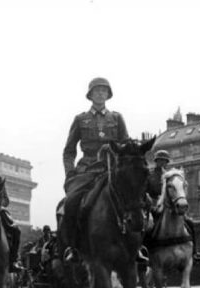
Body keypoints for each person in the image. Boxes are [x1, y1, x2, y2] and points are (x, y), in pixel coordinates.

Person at [60, 77, 144, 263]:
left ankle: (137, 246)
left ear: (108, 94)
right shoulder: (80, 119)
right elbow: (69, 151)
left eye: (103, 91)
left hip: (113, 168)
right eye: (96, 91)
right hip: (87, 169)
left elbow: (125, 143)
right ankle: (74, 247)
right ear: (90, 95)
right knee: (71, 203)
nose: (100, 93)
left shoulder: (116, 118)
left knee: (139, 199)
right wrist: (70, 173)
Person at [144, 150, 200, 262]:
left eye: (164, 161)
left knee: (189, 223)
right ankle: (145, 251)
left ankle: (195, 251)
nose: (162, 163)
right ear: (156, 161)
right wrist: (152, 205)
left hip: (171, 206)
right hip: (155, 206)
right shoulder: (150, 176)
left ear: (167, 162)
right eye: (160, 160)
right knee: (148, 227)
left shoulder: (172, 176)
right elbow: (145, 193)